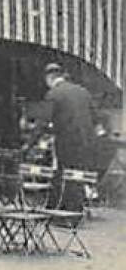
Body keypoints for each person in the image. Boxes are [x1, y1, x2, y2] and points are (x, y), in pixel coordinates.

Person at [43, 62, 96, 211]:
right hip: (86, 142)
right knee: (77, 176)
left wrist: (28, 146)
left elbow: (43, 121)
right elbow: (97, 118)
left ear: (49, 78)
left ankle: (59, 210)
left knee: (61, 175)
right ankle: (75, 209)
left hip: (66, 142)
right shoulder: (83, 92)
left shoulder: (53, 93)